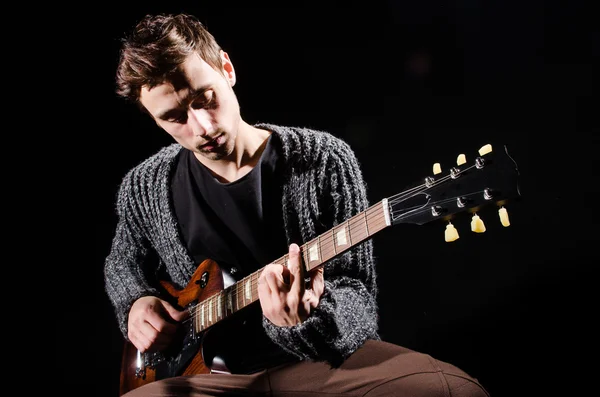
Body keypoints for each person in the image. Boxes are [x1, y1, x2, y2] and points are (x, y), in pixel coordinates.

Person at [104, 12, 490, 397]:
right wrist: (136, 303)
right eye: (174, 118)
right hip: (213, 381)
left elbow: (356, 296)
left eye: (205, 99)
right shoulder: (145, 186)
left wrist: (305, 319)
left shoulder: (324, 159)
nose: (201, 127)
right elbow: (123, 263)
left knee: (454, 391)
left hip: (321, 368)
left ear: (227, 68)